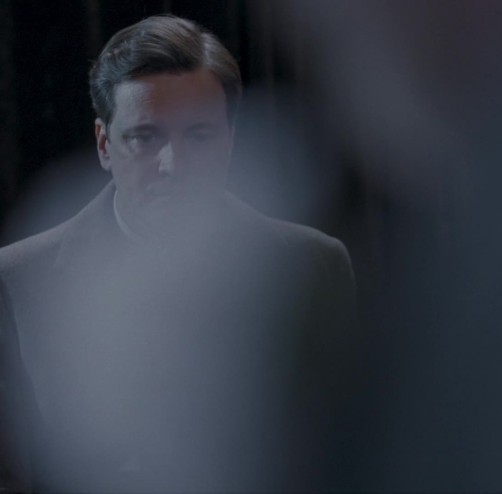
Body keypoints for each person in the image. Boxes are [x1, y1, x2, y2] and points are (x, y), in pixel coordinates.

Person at [0, 14, 359, 493]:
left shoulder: (314, 263)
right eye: (146, 138)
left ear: (231, 140)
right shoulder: (17, 280)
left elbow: (352, 452)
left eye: (199, 136)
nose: (173, 164)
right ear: (104, 145)